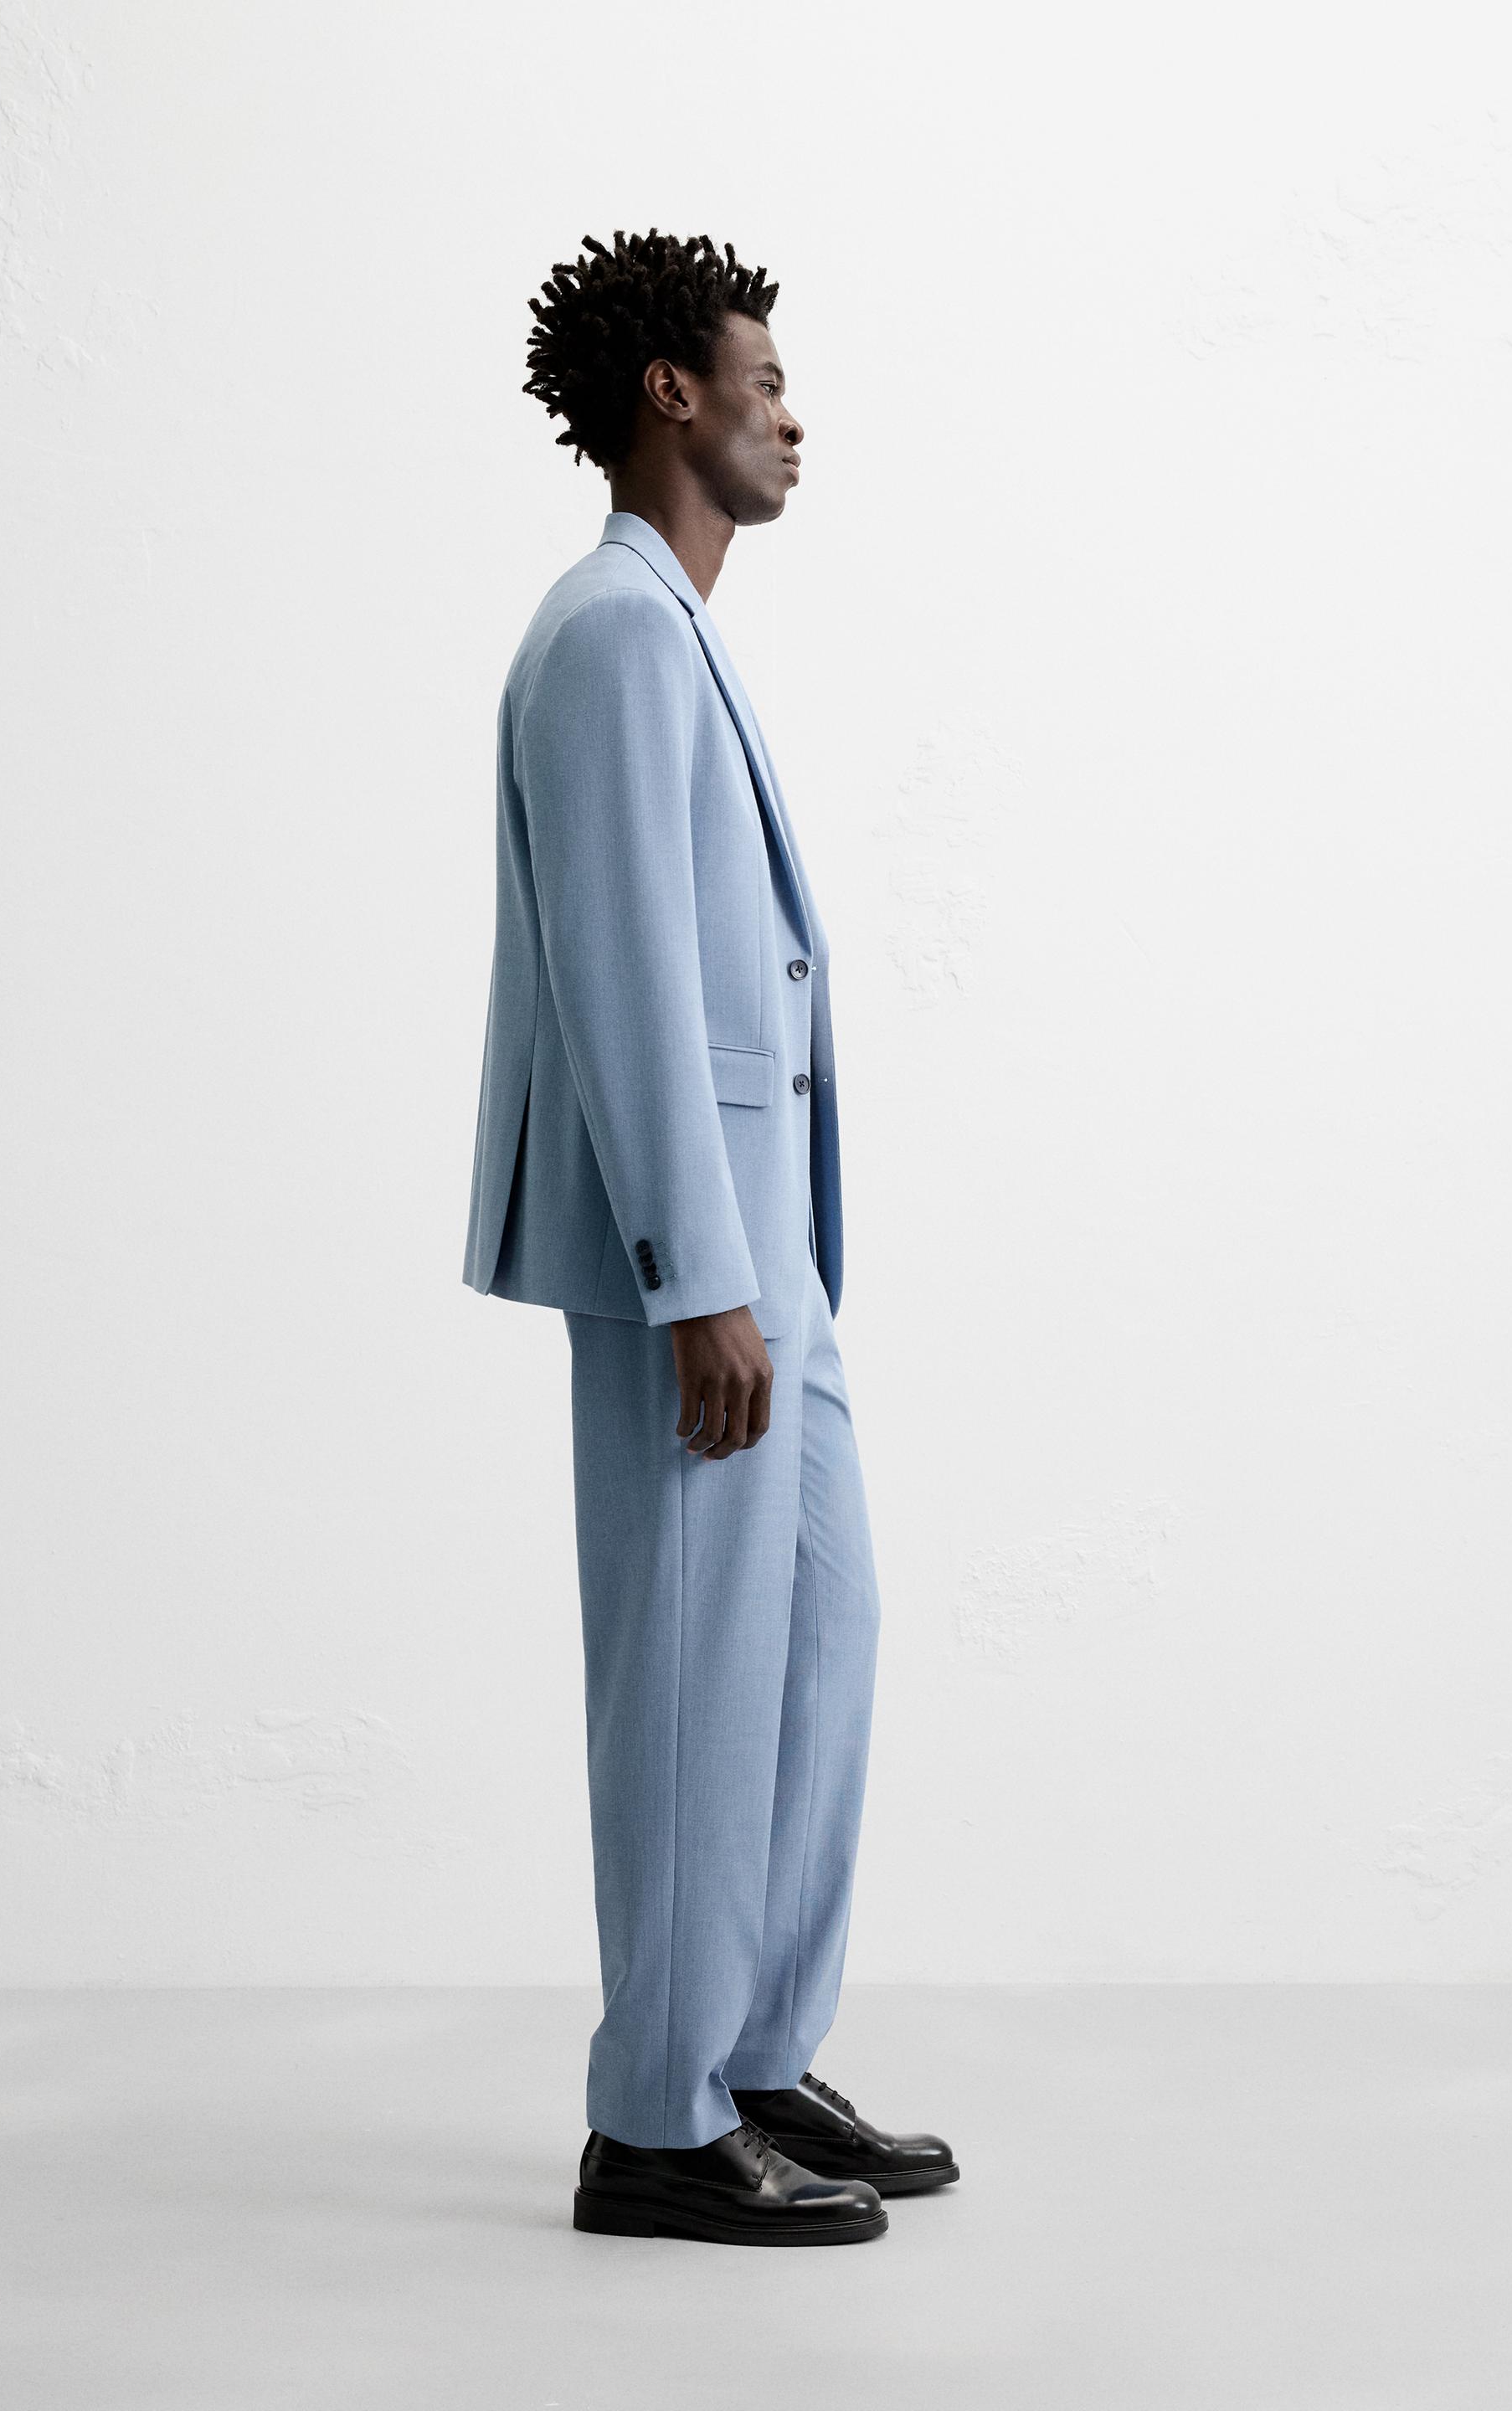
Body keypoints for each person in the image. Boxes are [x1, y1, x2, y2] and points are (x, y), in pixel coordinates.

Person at [462, 229, 958, 2246]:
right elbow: (626, 979)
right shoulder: (608, 632)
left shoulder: (672, 630)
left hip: (772, 1261)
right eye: (767, 386)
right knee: (688, 1671)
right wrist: (699, 1279)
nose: (793, 420)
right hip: (704, 1269)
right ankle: (654, 2118)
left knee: (821, 1639)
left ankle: (753, 2051)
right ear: (672, 394)